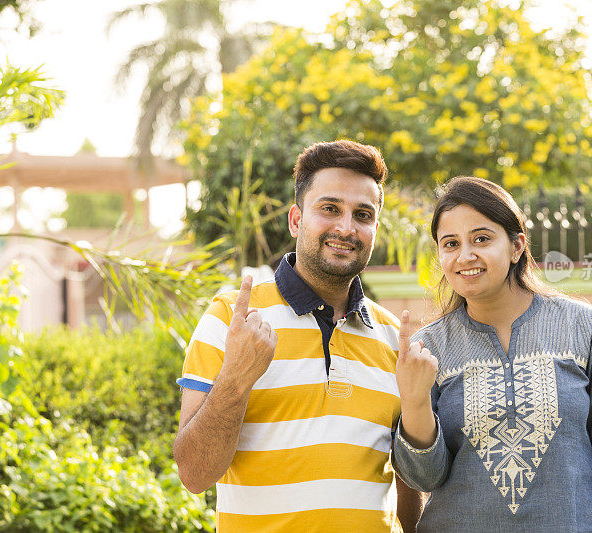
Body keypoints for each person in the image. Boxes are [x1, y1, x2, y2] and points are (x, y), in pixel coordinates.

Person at [173, 140, 422, 532]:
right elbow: (194, 473)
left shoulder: (394, 338)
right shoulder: (230, 318)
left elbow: (410, 480)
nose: (345, 227)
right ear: (296, 220)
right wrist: (237, 377)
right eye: (329, 209)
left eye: (363, 214)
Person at [393, 176, 592, 532]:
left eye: (481, 238)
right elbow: (423, 479)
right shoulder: (427, 350)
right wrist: (415, 399)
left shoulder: (582, 327)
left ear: (516, 247)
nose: (465, 255)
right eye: (450, 243)